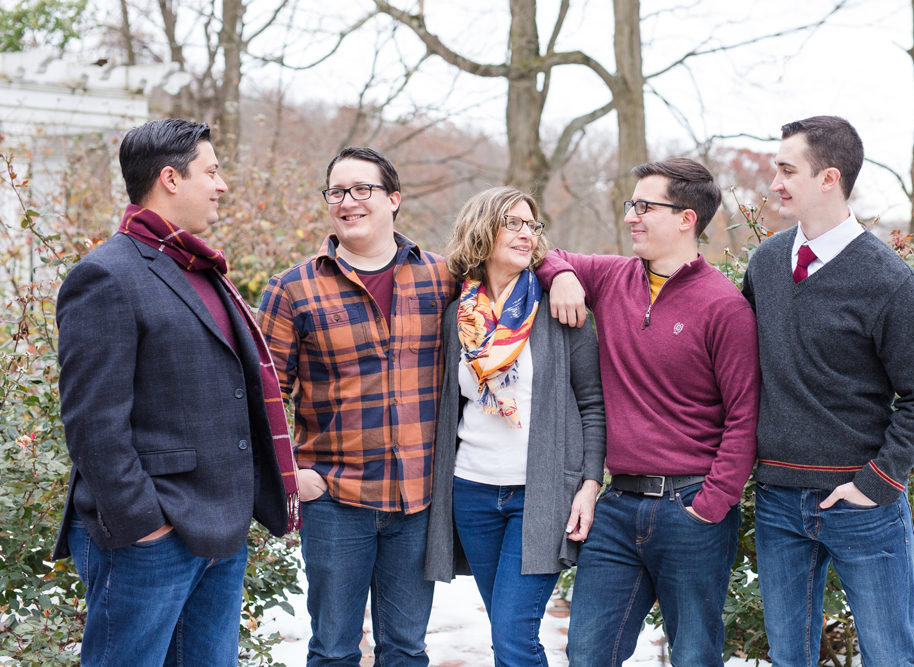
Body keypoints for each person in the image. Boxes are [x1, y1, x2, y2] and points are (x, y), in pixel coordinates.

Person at [53, 118, 299, 666]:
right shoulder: (106, 276)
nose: (222, 185)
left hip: (219, 532)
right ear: (169, 178)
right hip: (152, 539)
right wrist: (146, 524)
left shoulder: (199, 268)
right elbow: (93, 423)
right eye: (211, 172)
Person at [741, 115, 914, 666]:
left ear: (829, 177)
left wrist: (877, 482)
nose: (775, 183)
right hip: (779, 499)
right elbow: (743, 372)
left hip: (862, 505)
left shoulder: (889, 280)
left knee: (891, 657)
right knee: (790, 658)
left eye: (788, 170)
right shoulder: (764, 264)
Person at [539, 158, 760, 666]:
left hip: (691, 509)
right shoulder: (613, 277)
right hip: (617, 508)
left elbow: (744, 416)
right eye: (630, 205)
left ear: (687, 219)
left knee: (694, 655)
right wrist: (566, 275)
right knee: (588, 653)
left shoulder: (724, 307)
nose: (631, 217)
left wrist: (712, 503)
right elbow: (542, 254)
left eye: (645, 206)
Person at [256, 146, 458, 666]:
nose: (348, 201)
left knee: (407, 649)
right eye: (337, 192)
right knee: (333, 650)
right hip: (335, 501)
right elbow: (265, 392)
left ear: (393, 199)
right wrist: (291, 474)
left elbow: (517, 259)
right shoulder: (292, 289)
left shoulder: (443, 279)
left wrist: (563, 273)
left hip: (418, 501)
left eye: (362, 189)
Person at [424, 186, 606, 665]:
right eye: (514, 223)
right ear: (484, 231)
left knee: (513, 634)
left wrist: (589, 484)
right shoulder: (457, 317)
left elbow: (591, 402)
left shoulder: (560, 307)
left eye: (532, 224)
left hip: (540, 495)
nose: (527, 233)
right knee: (505, 630)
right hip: (472, 492)